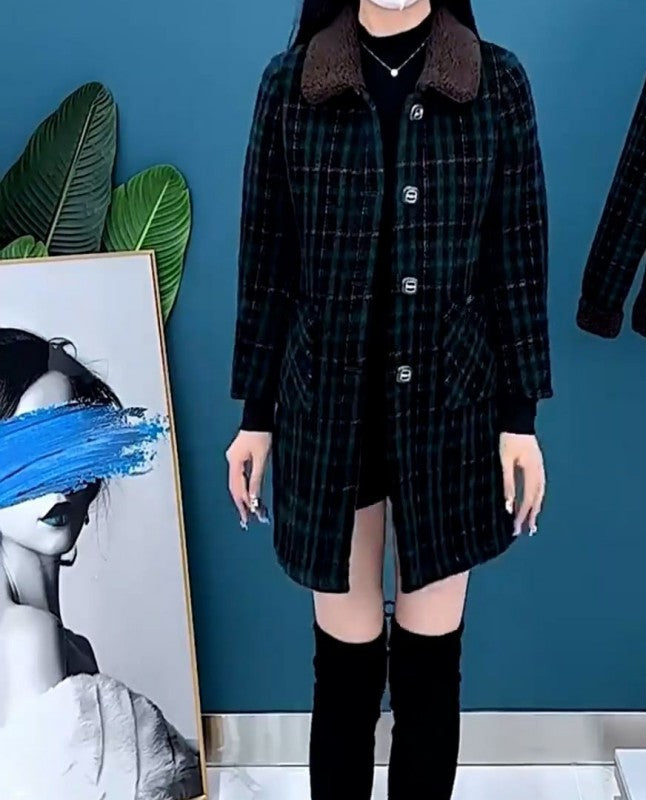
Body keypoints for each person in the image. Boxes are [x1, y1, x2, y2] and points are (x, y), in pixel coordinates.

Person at [226, 0, 552, 797]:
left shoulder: (494, 80)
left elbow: (517, 257)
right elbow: (267, 260)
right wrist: (256, 416)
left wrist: (520, 419)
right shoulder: (291, 83)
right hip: (328, 409)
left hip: (451, 407)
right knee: (343, 669)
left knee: (431, 667)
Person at [0, 328, 201, 800]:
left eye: (74, 450)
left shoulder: (66, 643)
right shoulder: (26, 638)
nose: (60, 484)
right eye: (30, 453)